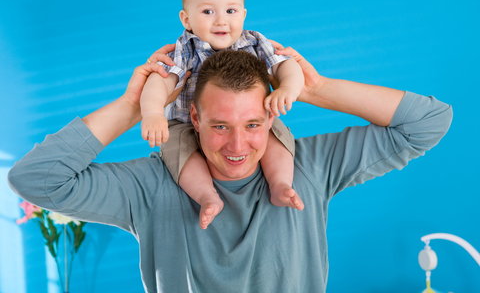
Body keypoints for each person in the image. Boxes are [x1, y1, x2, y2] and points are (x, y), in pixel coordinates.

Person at [9, 45, 452, 293]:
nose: (238, 146)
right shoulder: (150, 185)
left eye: (253, 124)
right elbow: (33, 178)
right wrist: (136, 106)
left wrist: (317, 88)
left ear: (273, 118)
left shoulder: (311, 167)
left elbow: (429, 122)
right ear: (195, 120)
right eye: (220, 125)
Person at [140, 0, 305, 229]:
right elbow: (159, 82)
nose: (221, 21)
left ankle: (280, 184)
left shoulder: (254, 42)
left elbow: (288, 64)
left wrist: (287, 87)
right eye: (208, 12)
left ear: (243, 14)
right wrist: (153, 113)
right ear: (187, 19)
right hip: (185, 124)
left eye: (231, 11)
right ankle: (207, 196)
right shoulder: (184, 50)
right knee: (177, 149)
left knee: (274, 134)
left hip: (242, 124)